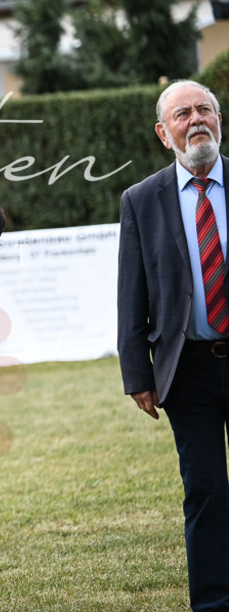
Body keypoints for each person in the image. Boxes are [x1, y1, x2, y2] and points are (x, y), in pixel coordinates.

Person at [117, 79, 229, 611]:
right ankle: (212, 602)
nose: (196, 120)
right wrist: (137, 373)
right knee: (204, 489)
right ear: (165, 134)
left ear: (219, 120)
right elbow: (130, 292)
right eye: (182, 114)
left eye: (204, 109)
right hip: (190, 371)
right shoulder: (141, 200)